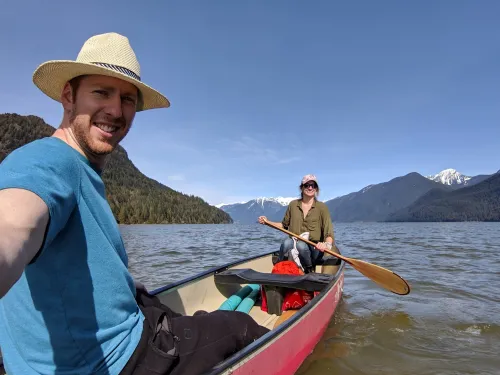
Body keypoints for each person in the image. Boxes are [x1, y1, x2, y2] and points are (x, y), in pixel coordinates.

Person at [0, 32, 268, 375]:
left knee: (153, 302)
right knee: (236, 326)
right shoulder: (48, 161)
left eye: (127, 99)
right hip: (114, 362)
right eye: (101, 92)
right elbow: (12, 226)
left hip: (85, 348)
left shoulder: (81, 168)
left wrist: (123, 284)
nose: (115, 110)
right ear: (68, 95)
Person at [258, 174, 335, 273]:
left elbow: (329, 233)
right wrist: (267, 222)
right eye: (307, 185)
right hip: (294, 244)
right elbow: (284, 225)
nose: (310, 187)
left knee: (301, 245)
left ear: (316, 189)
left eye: (313, 185)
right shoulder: (293, 205)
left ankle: (309, 270)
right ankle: (278, 269)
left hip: (314, 249)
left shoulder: (322, 207)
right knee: (286, 243)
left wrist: (326, 244)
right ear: (302, 188)